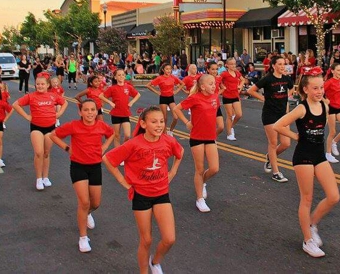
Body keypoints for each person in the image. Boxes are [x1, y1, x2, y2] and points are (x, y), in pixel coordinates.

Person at [103, 106, 184, 274]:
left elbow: (180, 152)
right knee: (146, 240)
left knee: (169, 239)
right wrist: (122, 180)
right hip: (141, 196)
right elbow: (108, 158)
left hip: (161, 193)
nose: (159, 125)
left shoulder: (168, 141)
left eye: (162, 121)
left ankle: (155, 262)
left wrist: (173, 171)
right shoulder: (134, 144)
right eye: (154, 121)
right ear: (143, 124)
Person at [274, 67, 340, 258]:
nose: (319, 92)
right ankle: (307, 240)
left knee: (334, 196)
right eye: (315, 88)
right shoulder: (302, 108)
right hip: (303, 156)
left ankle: (312, 224)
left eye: (321, 88)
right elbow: (279, 125)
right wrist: (295, 136)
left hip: (319, 156)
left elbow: (323, 128)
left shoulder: (325, 107)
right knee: (307, 199)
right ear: (305, 90)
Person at [49, 100, 114, 253]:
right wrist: (66, 148)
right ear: (80, 112)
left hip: (95, 166)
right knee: (84, 202)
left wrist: (104, 147)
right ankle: (83, 238)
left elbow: (111, 134)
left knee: (95, 203)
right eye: (86, 110)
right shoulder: (73, 125)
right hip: (78, 166)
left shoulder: (101, 126)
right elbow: (53, 135)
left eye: (93, 110)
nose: (90, 113)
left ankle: (88, 213)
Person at [12, 72, 68, 190]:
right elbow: (16, 104)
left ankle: (45, 177)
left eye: (42, 84)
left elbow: (65, 103)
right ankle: (38, 178)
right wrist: (27, 116)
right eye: (38, 84)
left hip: (50, 128)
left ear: (48, 85)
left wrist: (59, 114)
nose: (40, 86)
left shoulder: (53, 96)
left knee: (46, 153)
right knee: (39, 152)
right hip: (36, 127)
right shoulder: (31, 96)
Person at [173, 75, 219, 212]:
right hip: (197, 137)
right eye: (211, 84)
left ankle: (202, 182)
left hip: (210, 137)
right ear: (203, 86)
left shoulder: (215, 97)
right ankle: (200, 199)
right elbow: (176, 109)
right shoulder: (194, 98)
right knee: (199, 169)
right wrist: (187, 122)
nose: (214, 86)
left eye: (214, 83)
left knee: (214, 168)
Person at [247, 55, 294, 182]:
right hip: (270, 114)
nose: (282, 66)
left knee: (286, 143)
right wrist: (264, 99)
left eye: (283, 64)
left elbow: (292, 88)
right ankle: (276, 172)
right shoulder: (267, 79)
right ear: (273, 66)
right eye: (279, 64)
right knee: (273, 143)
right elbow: (251, 90)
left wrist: (286, 96)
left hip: (283, 114)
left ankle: (269, 157)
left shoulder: (286, 78)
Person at [99, 68, 141, 150]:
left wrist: (132, 102)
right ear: (115, 77)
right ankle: (118, 153)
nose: (121, 76)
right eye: (119, 75)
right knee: (117, 135)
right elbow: (101, 96)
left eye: (123, 75)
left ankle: (123, 150)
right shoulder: (112, 88)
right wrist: (110, 102)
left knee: (127, 135)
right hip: (116, 114)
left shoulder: (128, 87)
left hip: (125, 114)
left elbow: (138, 94)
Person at [146, 64, 183, 136]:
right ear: (163, 70)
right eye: (167, 69)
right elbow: (148, 85)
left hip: (171, 98)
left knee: (176, 117)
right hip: (163, 98)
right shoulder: (160, 78)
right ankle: (164, 133)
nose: (169, 70)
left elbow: (182, 83)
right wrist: (157, 92)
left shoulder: (173, 77)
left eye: (170, 69)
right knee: (164, 118)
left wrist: (176, 91)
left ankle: (171, 131)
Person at [220, 57, 245, 141]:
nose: (233, 65)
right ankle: (229, 133)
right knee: (229, 116)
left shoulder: (237, 73)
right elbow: (218, 80)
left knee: (239, 114)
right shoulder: (224, 74)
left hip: (235, 95)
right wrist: (222, 87)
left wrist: (240, 87)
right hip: (227, 96)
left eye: (234, 64)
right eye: (231, 64)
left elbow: (243, 80)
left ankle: (230, 127)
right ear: (227, 65)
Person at [206, 62, 225, 135]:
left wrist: (216, 94)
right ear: (208, 70)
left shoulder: (218, 79)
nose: (215, 71)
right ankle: (209, 140)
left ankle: (212, 138)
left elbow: (223, 88)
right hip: (206, 105)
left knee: (221, 127)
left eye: (216, 69)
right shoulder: (204, 79)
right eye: (212, 69)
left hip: (216, 104)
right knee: (209, 126)